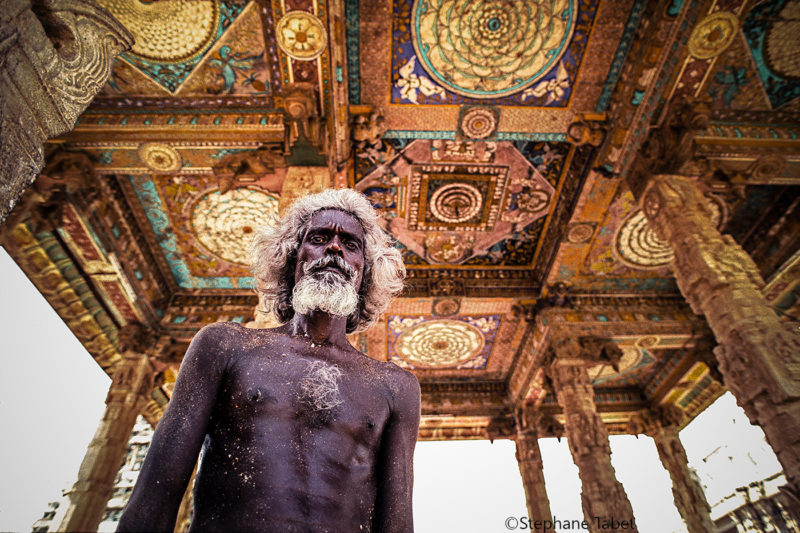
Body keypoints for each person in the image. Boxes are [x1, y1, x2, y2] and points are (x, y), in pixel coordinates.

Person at [117, 189, 420, 533]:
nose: (334, 248)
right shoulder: (225, 346)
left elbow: (397, 524)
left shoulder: (395, 386)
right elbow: (154, 501)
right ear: (292, 259)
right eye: (319, 238)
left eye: (350, 245)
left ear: (364, 273)